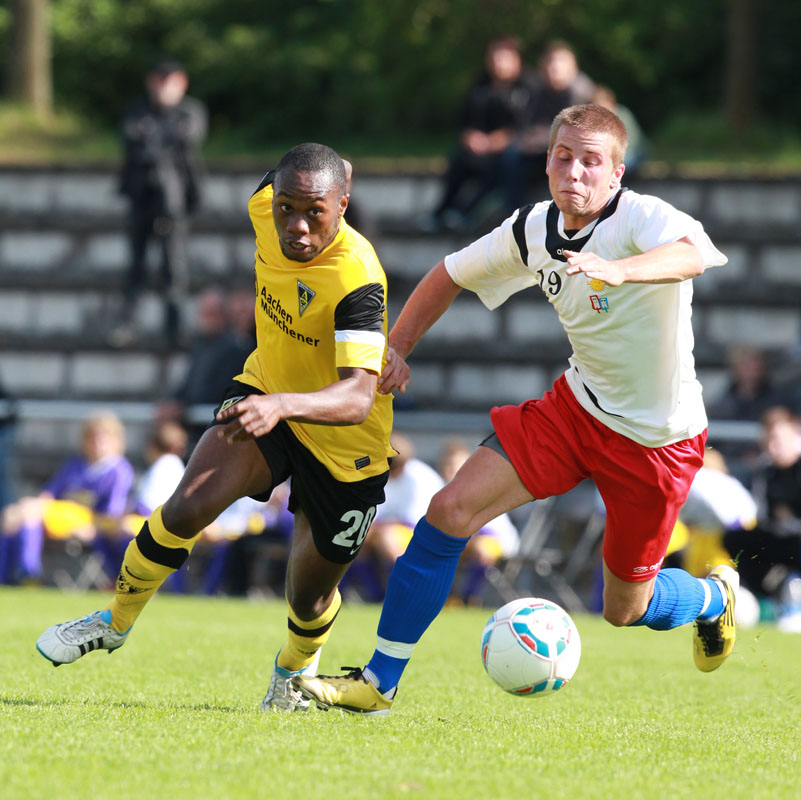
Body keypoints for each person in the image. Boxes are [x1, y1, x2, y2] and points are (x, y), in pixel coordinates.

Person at [294, 103, 736, 716]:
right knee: (448, 510)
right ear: (547, 162)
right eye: (564, 157)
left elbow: (693, 253)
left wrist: (620, 270)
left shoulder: (640, 216)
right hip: (576, 411)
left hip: (658, 440)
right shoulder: (531, 228)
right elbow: (448, 274)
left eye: (592, 162)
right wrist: (395, 347)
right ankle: (378, 682)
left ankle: (713, 600)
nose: (575, 172)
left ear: (616, 173)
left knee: (624, 608)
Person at [36, 143, 394, 715]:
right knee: (187, 507)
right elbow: (309, 177)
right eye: (287, 208)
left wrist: (284, 406)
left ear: (343, 205)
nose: (297, 226)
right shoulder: (263, 203)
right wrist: (273, 403)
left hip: (344, 446)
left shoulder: (357, 276)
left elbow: (356, 397)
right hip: (264, 395)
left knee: (308, 595)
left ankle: (292, 673)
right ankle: (114, 621)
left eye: (315, 212)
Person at [112, 58, 208, 347]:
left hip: (175, 202)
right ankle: (127, 324)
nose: (163, 88)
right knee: (135, 266)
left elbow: (186, 139)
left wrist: (152, 138)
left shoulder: (190, 111)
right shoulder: (137, 110)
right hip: (141, 198)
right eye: (159, 81)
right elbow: (131, 141)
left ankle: (173, 330)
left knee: (173, 267)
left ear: (182, 83)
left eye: (170, 81)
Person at [1, 411, 134, 584]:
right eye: (93, 437)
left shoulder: (119, 470)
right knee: (18, 517)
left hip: (87, 521)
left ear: (116, 440)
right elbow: (50, 493)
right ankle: (13, 576)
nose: (97, 443)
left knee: (26, 513)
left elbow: (112, 514)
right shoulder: (76, 464)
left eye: (104, 438)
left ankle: (28, 574)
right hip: (58, 517)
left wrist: (93, 527)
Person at [426, 36, 536, 232]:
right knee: (459, 160)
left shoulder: (529, 87)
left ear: (517, 59)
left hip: (513, 152)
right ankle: (443, 211)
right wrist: (470, 137)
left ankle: (466, 213)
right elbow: (465, 120)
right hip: (479, 149)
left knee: (500, 166)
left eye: (504, 57)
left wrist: (498, 141)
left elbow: (527, 126)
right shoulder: (481, 85)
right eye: (494, 57)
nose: (498, 63)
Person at [723, 407, 801, 630]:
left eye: (779, 440)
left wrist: (787, 517)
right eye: (770, 440)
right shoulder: (766, 473)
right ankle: (762, 595)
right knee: (735, 539)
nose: (774, 447)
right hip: (779, 536)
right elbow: (764, 515)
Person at [156, 286, 255, 450]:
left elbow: (224, 389)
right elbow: (188, 385)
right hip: (195, 430)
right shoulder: (200, 346)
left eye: (213, 313)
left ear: (223, 315)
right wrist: (172, 402)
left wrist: (184, 405)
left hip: (215, 431)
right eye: (205, 313)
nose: (209, 319)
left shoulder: (236, 348)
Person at [504, 40, 595, 209]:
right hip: (539, 148)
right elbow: (526, 123)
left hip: (570, 150)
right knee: (511, 157)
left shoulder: (581, 92)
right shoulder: (538, 90)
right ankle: (514, 211)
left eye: (560, 65)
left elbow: (576, 130)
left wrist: (541, 137)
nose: (554, 70)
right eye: (551, 65)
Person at [437, 438, 519, 606]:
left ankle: (471, 598)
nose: (452, 470)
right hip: (464, 540)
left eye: (457, 465)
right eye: (448, 466)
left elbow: (487, 529)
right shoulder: (439, 490)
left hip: (496, 540)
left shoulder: (479, 487)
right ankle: (448, 597)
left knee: (482, 548)